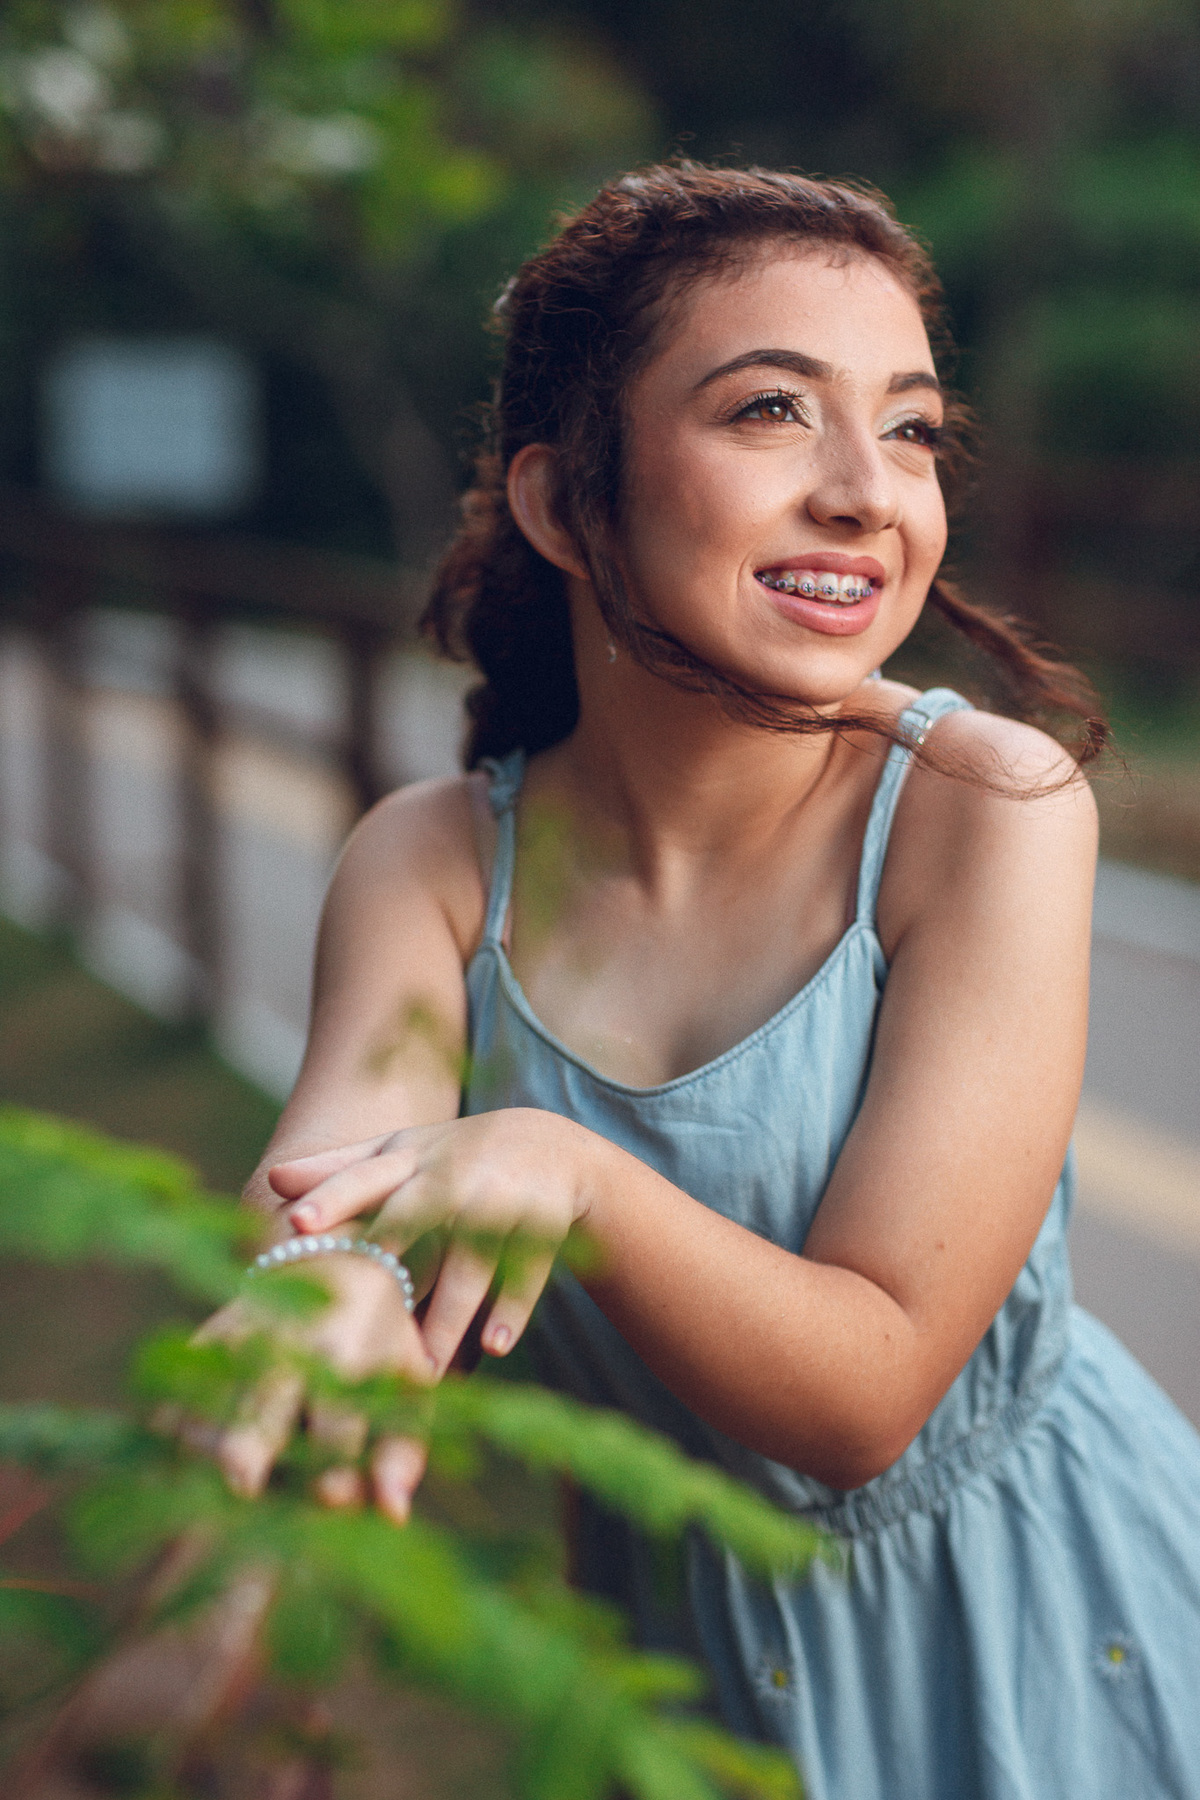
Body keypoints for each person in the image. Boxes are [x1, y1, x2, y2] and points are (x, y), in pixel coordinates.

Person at [198, 165, 1200, 1798]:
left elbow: (870, 1393)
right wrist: (331, 1279)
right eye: (771, 412)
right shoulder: (433, 863)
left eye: (913, 430)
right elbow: (328, 1190)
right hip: (675, 1687)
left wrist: (567, 1168)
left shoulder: (982, 807)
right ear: (563, 502)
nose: (867, 493)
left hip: (1053, 1641)